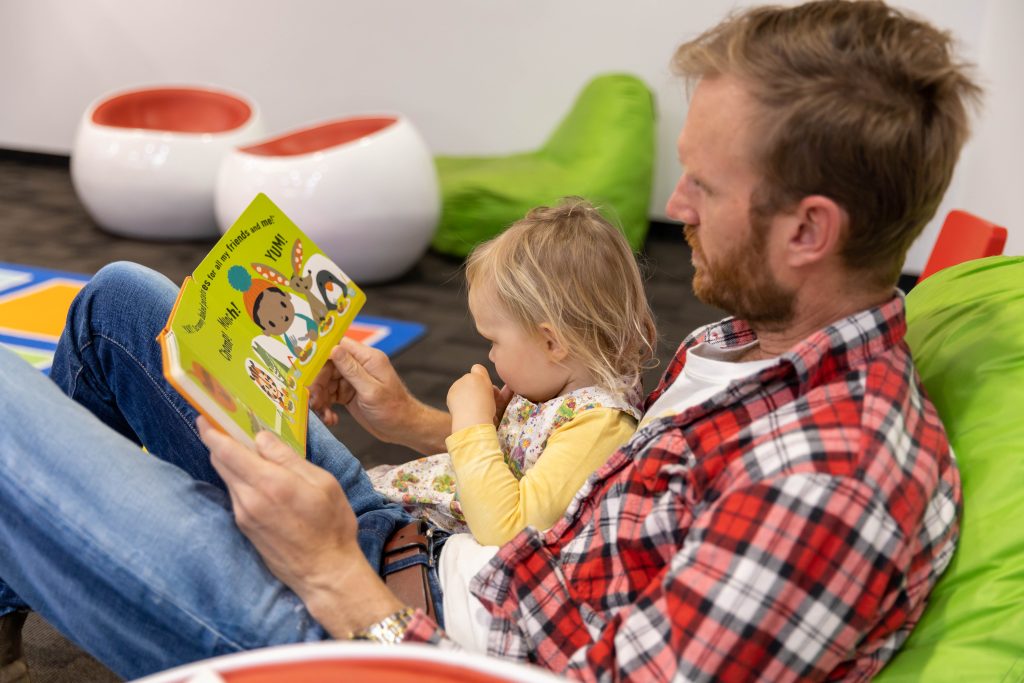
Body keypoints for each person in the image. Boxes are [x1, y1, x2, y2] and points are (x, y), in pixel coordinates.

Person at [0, 1, 980, 680]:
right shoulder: (752, 349)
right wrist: (414, 421)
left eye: (705, 186)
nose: (675, 204)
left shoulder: (824, 488)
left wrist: (330, 569)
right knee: (125, 303)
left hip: (359, 641)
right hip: (428, 552)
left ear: (808, 230)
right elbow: (575, 486)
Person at [360, 198, 655, 545]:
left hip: (412, 538)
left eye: (494, 341)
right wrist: (501, 429)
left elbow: (509, 531)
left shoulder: (598, 427)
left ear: (552, 343)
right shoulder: (558, 390)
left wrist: (472, 427)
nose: (490, 355)